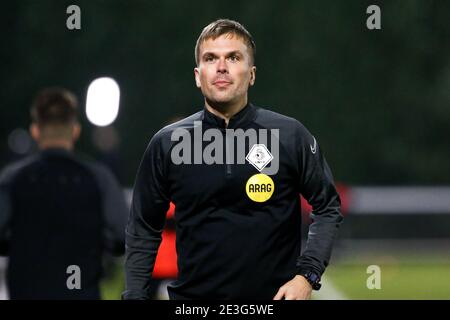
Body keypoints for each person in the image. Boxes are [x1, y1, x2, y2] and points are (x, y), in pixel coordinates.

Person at [123, 19, 343, 300]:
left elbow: (328, 206)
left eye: (233, 57)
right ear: (197, 75)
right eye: (210, 58)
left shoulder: (289, 136)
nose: (221, 67)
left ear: (251, 74)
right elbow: (142, 227)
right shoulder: (167, 144)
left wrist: (307, 276)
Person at [0, 88, 128, 299]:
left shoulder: (13, 178)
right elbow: (122, 237)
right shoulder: (99, 177)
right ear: (75, 130)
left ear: (35, 130)